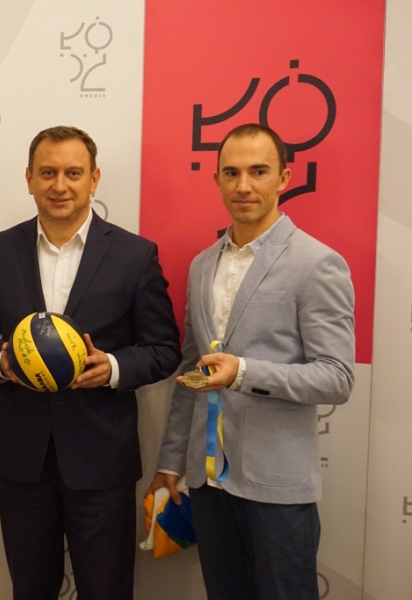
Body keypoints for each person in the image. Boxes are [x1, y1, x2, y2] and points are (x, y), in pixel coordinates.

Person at [0, 125, 181, 600]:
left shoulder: (134, 255)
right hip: (23, 459)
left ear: (94, 179)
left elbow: (164, 349)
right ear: (29, 179)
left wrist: (113, 368)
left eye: (73, 173)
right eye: (48, 173)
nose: (60, 185)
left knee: (107, 591)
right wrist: (3, 362)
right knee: (30, 590)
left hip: (102, 461)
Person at [148, 123, 355, 600]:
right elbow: (190, 371)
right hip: (207, 484)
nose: (244, 185)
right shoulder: (202, 265)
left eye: (258, 171)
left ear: (284, 178)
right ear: (217, 179)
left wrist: (242, 372)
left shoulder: (316, 263)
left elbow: (337, 377)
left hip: (277, 487)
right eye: (232, 173)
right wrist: (171, 461)